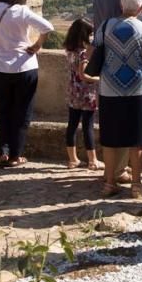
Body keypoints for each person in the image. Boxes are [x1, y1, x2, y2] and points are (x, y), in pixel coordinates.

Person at [0, 0, 54, 168]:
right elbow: (47, 27)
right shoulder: (22, 11)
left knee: (3, 110)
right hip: (24, 66)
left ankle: (2, 153)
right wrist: (37, 45)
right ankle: (16, 154)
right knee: (22, 111)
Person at [93, 0, 142, 198]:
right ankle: (137, 185)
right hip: (139, 89)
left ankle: (109, 183)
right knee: (137, 139)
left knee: (110, 139)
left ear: (121, 4)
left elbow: (96, 50)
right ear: (141, 6)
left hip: (109, 89)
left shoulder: (104, 26)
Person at [63, 18, 102, 170]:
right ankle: (93, 160)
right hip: (86, 93)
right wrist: (100, 78)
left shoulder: (70, 50)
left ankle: (73, 159)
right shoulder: (83, 54)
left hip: (73, 91)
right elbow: (84, 75)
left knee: (72, 125)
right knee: (88, 126)